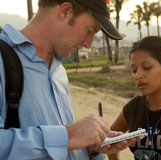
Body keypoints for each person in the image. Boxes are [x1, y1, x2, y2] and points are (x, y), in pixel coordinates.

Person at [0, 0, 138, 159]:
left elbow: (62, 147)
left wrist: (90, 145)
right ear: (65, 11)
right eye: (89, 30)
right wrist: (68, 135)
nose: (89, 44)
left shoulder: (58, 72)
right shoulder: (2, 60)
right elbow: (65, 138)